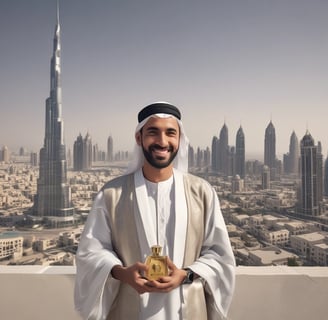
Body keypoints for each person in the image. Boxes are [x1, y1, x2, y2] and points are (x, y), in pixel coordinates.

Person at [74, 102, 235, 320]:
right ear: (139, 138)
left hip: (188, 310)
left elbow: (219, 255)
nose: (162, 141)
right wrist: (123, 273)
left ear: (179, 140)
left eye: (170, 133)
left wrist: (186, 275)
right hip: (129, 309)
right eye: (153, 132)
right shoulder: (111, 194)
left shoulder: (202, 192)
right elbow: (90, 252)